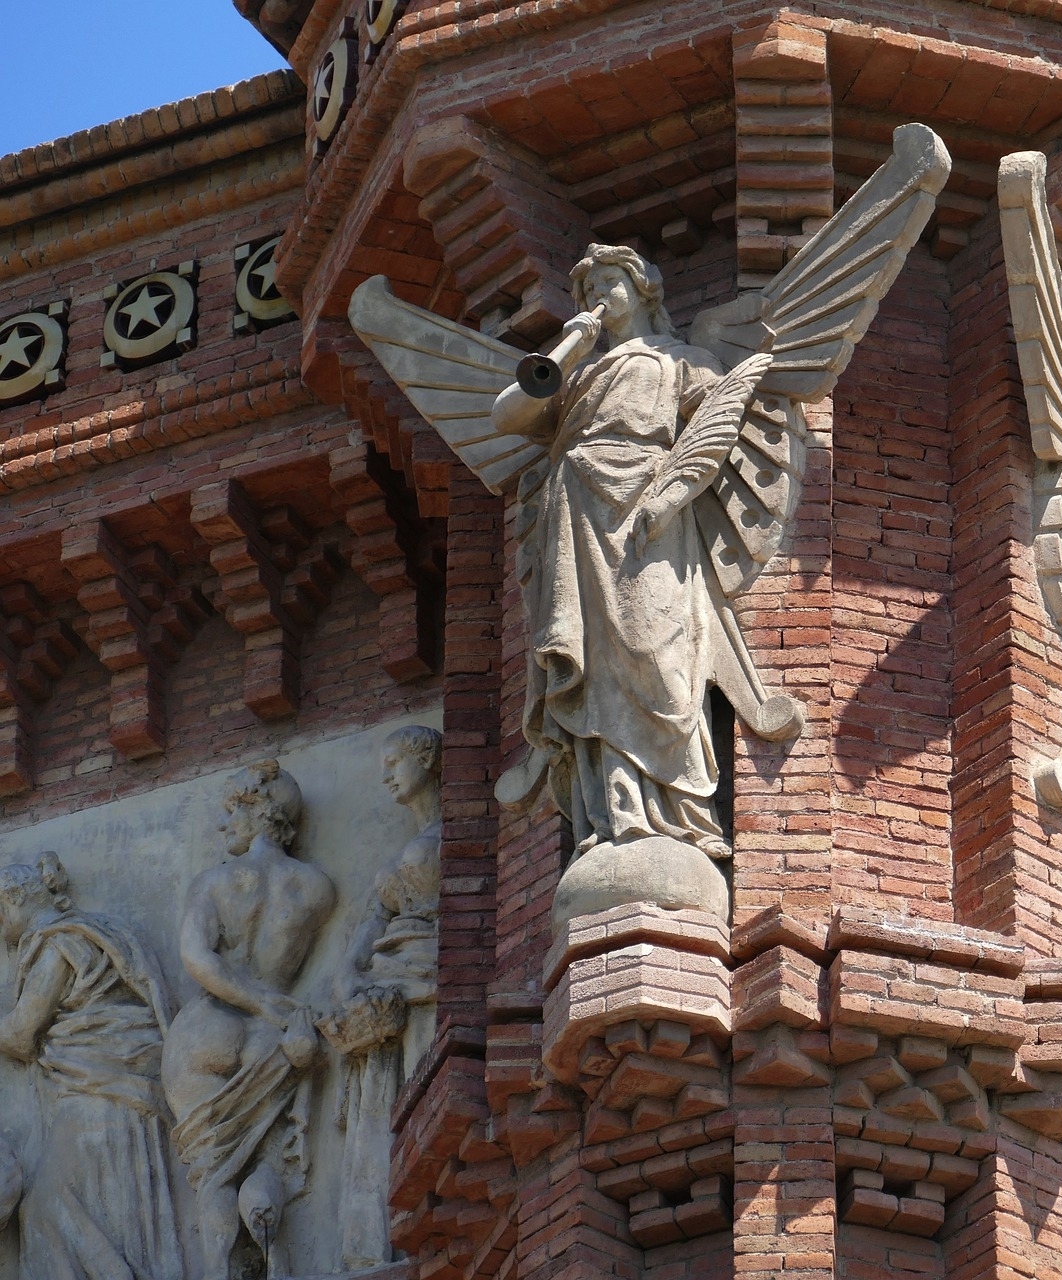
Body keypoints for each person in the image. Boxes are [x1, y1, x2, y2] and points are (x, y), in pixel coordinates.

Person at [489, 244, 733, 861]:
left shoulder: (681, 361)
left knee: (656, 649)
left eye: (610, 283)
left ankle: (677, 813)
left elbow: (715, 430)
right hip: (576, 513)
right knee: (592, 661)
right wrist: (570, 344)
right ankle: (615, 812)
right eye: (588, 286)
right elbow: (505, 415)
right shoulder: (575, 376)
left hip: (648, 509)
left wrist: (671, 496)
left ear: (643, 288)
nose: (600, 295)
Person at [161, 760, 336, 1279]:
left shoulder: (214, 882)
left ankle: (219, 1268)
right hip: (274, 1036)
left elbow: (198, 960)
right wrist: (273, 1008)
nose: (224, 826)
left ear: (259, 812)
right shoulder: (316, 889)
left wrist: (252, 1001)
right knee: (266, 1160)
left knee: (214, 1169)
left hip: (206, 1029)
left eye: (232, 813)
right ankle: (272, 1257)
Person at [0, 852, 185, 1279]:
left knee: (48, 1204)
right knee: (83, 1205)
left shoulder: (60, 941)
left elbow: (20, 1034)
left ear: (16, 900)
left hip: (101, 1089)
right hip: (111, 1085)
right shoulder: (94, 932)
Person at [322, 724, 442, 1269]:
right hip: (388, 988)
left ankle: (426, 1226)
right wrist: (348, 979)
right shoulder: (404, 850)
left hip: (429, 981)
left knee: (424, 1094)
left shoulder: (461, 832)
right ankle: (380, 1239)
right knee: (383, 1109)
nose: (388, 776)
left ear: (428, 759)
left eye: (396, 762)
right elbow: (370, 923)